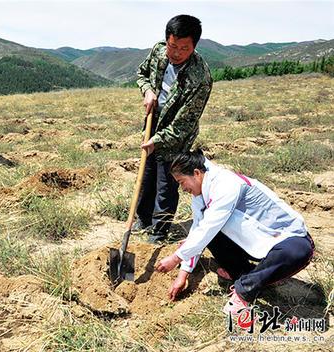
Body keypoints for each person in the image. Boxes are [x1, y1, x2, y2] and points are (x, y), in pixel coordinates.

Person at [155, 150, 315, 314]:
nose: (182, 188)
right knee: (206, 234)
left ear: (196, 173)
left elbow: (209, 227)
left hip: (284, 238)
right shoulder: (200, 197)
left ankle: (244, 291)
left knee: (298, 251)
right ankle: (244, 274)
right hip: (251, 242)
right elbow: (198, 231)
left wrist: (176, 258)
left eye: (182, 182)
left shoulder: (225, 184)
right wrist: (183, 275)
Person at [134, 14, 213, 243]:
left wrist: (157, 140)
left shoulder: (200, 78)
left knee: (166, 184)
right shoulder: (159, 51)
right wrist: (148, 90)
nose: (176, 53)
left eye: (184, 48)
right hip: (152, 124)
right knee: (146, 176)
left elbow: (183, 124)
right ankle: (143, 219)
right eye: (172, 46)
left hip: (176, 136)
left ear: (194, 46)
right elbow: (142, 74)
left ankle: (159, 232)